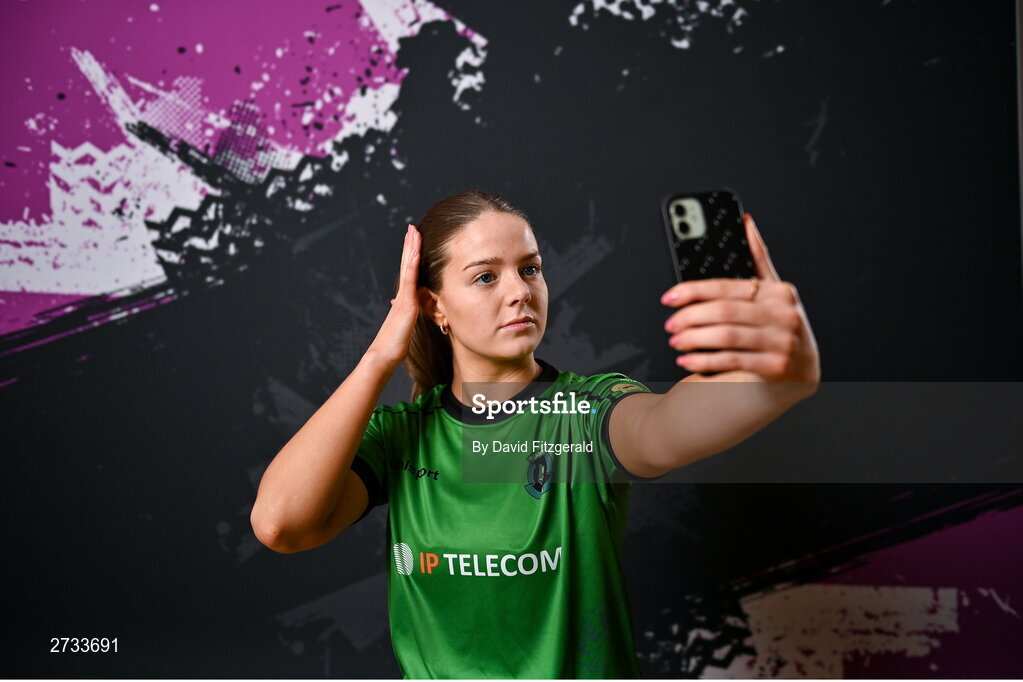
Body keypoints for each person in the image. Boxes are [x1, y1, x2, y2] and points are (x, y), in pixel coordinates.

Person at [250, 190, 821, 678]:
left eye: (531, 268)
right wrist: (380, 356)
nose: (520, 291)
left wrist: (770, 377)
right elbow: (281, 523)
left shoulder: (586, 412)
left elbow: (665, 428)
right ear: (434, 306)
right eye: (485, 277)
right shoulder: (398, 436)